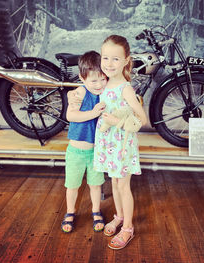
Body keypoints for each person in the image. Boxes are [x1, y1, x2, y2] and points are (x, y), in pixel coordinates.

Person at [93, 35, 148, 249]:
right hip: (109, 143)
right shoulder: (104, 84)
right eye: (105, 58)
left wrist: (117, 121)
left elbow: (142, 119)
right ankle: (119, 216)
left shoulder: (125, 88)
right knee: (114, 183)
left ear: (126, 60)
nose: (109, 64)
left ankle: (128, 227)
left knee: (124, 186)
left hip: (122, 144)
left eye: (115, 59)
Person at [62, 51, 107, 233]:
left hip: (96, 150)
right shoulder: (80, 92)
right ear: (82, 78)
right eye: (94, 81)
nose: (99, 85)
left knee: (95, 184)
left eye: (103, 79)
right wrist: (94, 112)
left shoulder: (106, 93)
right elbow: (71, 115)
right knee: (72, 185)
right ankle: (70, 211)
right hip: (76, 151)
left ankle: (96, 210)